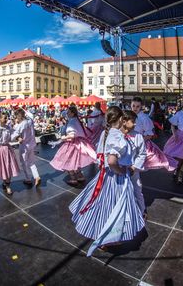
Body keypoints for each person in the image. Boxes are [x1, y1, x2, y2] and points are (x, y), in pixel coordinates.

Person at [69, 106, 145, 256]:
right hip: (115, 178)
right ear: (121, 120)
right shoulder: (117, 137)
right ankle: (108, 237)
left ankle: (103, 235)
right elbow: (111, 161)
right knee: (114, 207)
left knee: (104, 206)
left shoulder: (106, 133)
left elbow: (101, 157)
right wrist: (121, 170)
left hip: (105, 177)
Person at [50, 106, 97, 185]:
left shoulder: (72, 121)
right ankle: (80, 176)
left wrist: (63, 138)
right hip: (78, 143)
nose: (67, 114)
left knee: (67, 161)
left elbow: (72, 135)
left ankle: (73, 179)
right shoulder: (76, 120)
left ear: (72, 113)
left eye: (68, 112)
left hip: (72, 144)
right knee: (75, 161)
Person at [131, 97, 177, 172]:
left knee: (134, 170)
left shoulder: (144, 118)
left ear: (141, 107)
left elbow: (150, 134)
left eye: (137, 106)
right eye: (133, 106)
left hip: (138, 146)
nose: (135, 108)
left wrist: (138, 142)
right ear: (131, 105)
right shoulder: (128, 116)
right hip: (130, 145)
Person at [121, 110, 147, 218]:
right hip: (119, 172)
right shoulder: (116, 135)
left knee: (137, 190)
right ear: (124, 121)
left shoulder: (138, 136)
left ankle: (141, 211)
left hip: (133, 171)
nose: (135, 124)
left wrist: (134, 167)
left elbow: (142, 153)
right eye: (133, 121)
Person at [12, 108, 41, 187]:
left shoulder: (21, 124)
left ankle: (28, 179)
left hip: (24, 146)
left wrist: (16, 137)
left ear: (19, 116)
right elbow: (31, 115)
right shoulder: (30, 121)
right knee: (31, 162)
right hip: (31, 144)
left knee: (23, 163)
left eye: (16, 116)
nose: (16, 118)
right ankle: (36, 176)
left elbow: (13, 136)